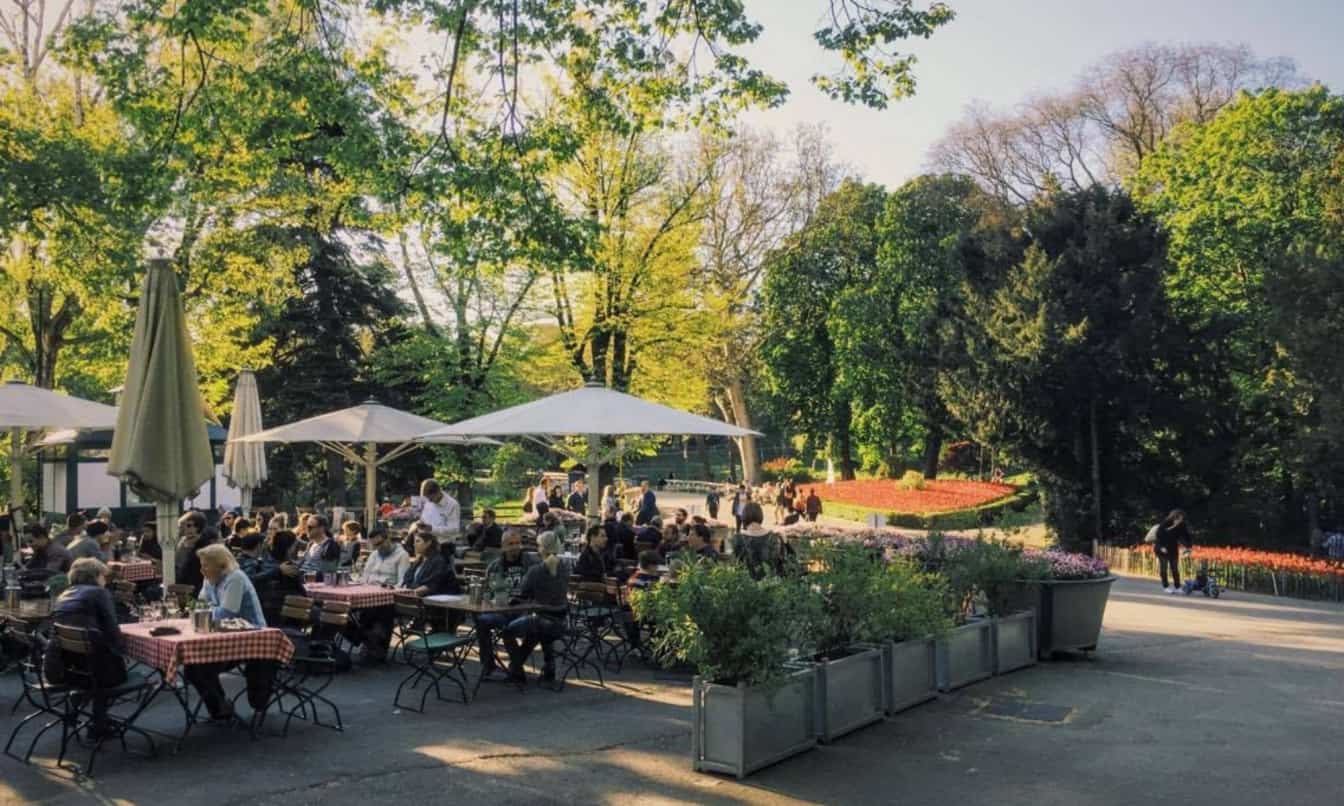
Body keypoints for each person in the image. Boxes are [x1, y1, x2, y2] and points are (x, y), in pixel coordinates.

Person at [185, 544, 272, 722]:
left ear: (221, 565)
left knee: (201, 667)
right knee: (192, 667)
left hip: (252, 637)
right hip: (223, 635)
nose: (201, 569)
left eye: (206, 564)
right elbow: (197, 606)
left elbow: (227, 612)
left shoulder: (235, 578)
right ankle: (220, 708)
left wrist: (204, 609)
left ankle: (220, 708)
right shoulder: (209, 578)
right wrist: (204, 609)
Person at [46, 558, 127, 738]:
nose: (105, 580)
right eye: (103, 576)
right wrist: (126, 652)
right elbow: (112, 631)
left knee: (90, 659)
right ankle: (99, 724)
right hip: (97, 674)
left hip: (67, 670)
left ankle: (84, 717)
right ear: (96, 576)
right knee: (110, 666)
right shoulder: (99, 593)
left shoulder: (63, 595)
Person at [503, 531, 570, 685]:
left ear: (542, 549)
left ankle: (516, 669)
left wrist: (510, 600)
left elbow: (522, 593)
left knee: (508, 631)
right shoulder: (565, 567)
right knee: (534, 632)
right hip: (561, 622)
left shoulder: (536, 571)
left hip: (542, 621)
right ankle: (544, 668)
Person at [477, 530, 538, 680]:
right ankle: (489, 666)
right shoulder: (495, 566)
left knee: (512, 629)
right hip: (501, 610)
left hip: (525, 609)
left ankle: (516, 666)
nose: (515, 547)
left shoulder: (532, 564)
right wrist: (488, 601)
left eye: (518, 543)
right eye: (511, 544)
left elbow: (540, 588)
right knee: (481, 622)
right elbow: (486, 590)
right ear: (503, 546)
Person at [732, 502, 787, 579]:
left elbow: (737, 565)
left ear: (744, 517)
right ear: (760, 516)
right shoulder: (775, 537)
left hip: (745, 586)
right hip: (772, 585)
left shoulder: (738, 539)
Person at [401, 530, 459, 597]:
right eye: (414, 542)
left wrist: (409, 594)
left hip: (438, 599)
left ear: (428, 543)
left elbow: (429, 586)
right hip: (417, 596)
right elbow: (407, 579)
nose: (414, 544)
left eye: (418, 541)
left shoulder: (438, 561)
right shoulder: (418, 561)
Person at [1154, 509, 1193, 594]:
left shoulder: (1181, 525)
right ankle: (1166, 586)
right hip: (1162, 549)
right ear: (1174, 517)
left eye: (1182, 519)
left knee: (1175, 568)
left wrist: (1189, 546)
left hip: (1173, 548)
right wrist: (1161, 547)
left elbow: (1186, 536)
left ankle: (1177, 587)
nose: (1181, 520)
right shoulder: (1165, 524)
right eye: (1179, 518)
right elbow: (1158, 536)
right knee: (1164, 568)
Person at [175, 511, 212, 594]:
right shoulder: (181, 542)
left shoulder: (205, 544)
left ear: (198, 527)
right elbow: (177, 562)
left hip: (197, 586)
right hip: (181, 583)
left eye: (189, 525)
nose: (185, 528)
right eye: (183, 525)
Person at [297, 515, 340, 580]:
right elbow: (302, 566)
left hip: (316, 586)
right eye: (305, 526)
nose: (306, 529)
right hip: (303, 584)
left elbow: (328, 573)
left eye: (310, 527)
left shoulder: (331, 546)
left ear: (321, 528)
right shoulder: (311, 544)